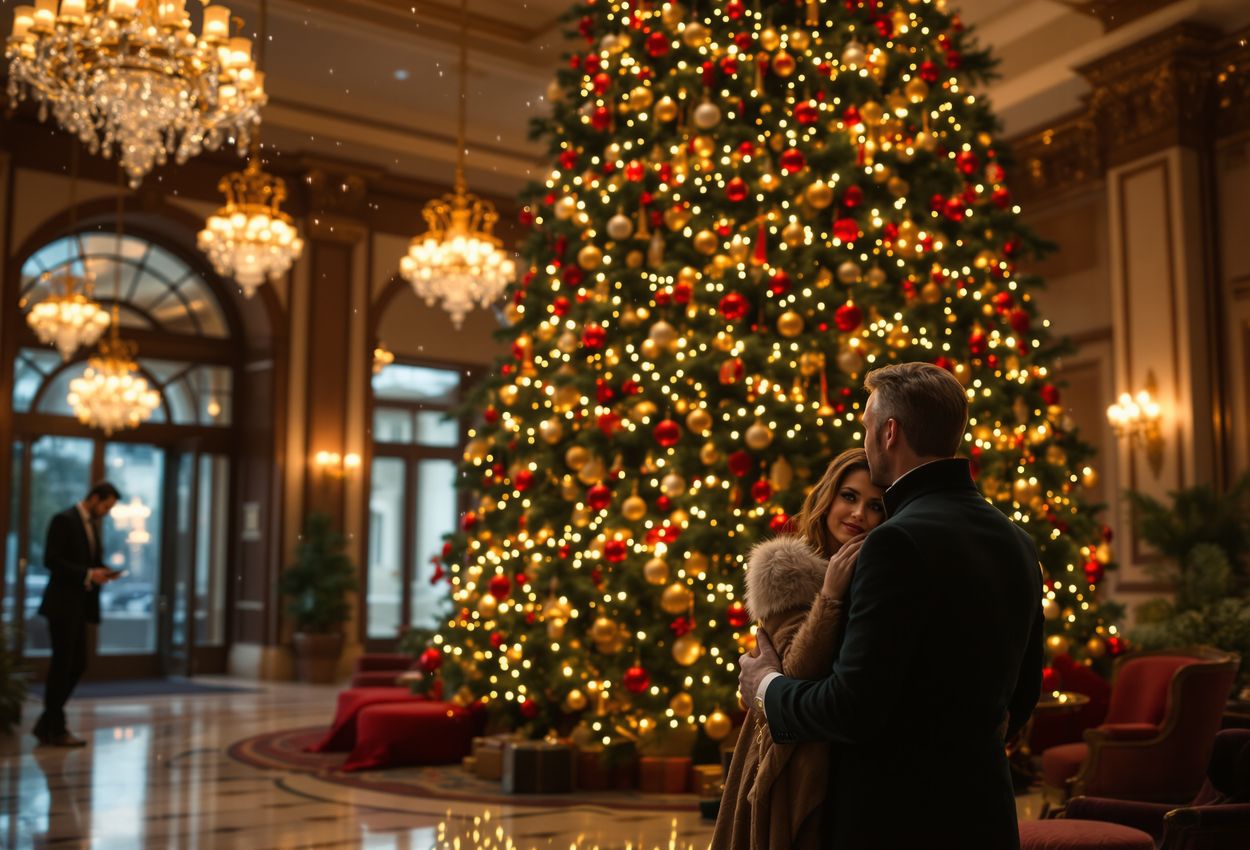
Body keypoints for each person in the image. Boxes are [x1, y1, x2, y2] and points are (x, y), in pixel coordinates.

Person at [739, 362, 1044, 850]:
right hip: (985, 816)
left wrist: (766, 687)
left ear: (889, 432)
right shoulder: (1017, 541)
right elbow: (1024, 695)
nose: (863, 438)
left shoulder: (896, 541)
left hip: (894, 820)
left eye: (865, 426)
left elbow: (852, 708)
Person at [713, 448, 885, 850]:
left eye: (874, 505)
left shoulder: (877, 573)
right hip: (790, 756)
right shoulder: (787, 571)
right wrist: (828, 596)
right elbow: (790, 674)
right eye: (849, 496)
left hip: (844, 756)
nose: (858, 513)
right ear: (827, 499)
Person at [32, 481, 122, 747]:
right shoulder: (64, 520)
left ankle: (48, 722)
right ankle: (54, 727)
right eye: (106, 506)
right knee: (63, 665)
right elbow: (52, 560)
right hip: (62, 605)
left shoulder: (91, 526)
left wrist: (101, 571)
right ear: (94, 498)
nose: (106, 512)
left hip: (79, 606)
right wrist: (87, 574)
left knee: (77, 663)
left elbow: (86, 561)